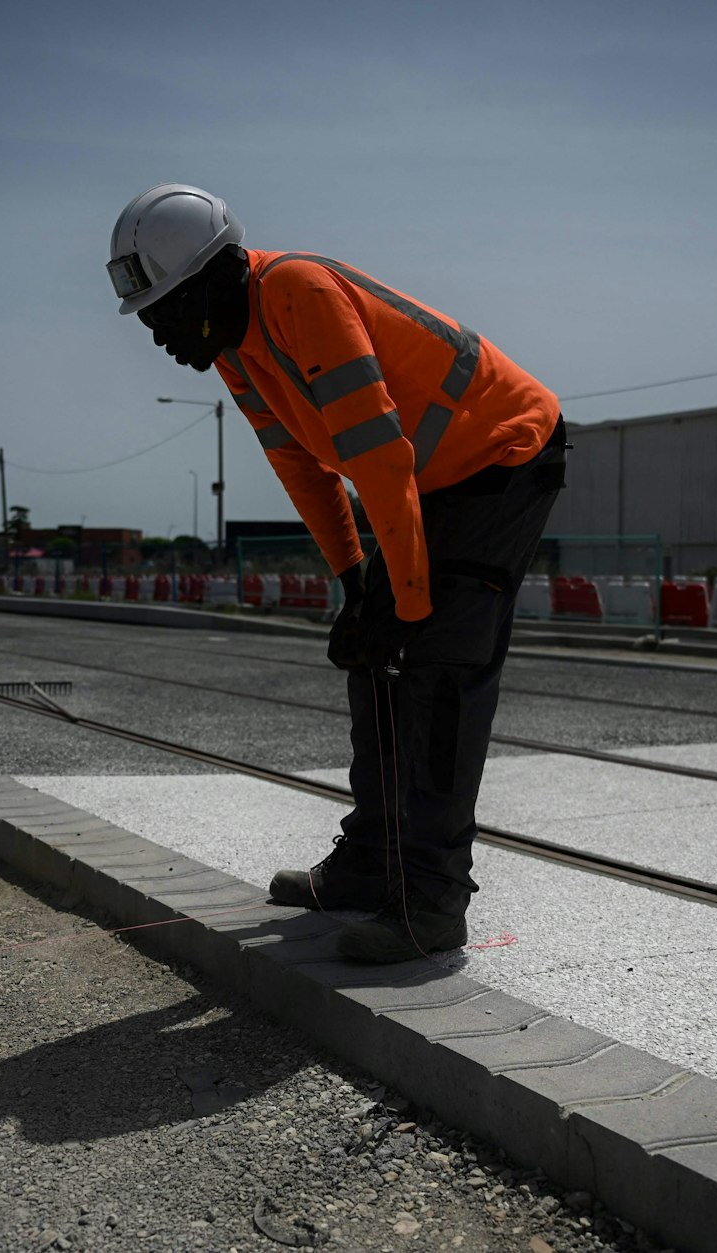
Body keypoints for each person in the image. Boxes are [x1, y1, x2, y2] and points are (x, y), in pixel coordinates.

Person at [108, 183, 567, 962]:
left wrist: (410, 604)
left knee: (438, 667)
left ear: (213, 278)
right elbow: (300, 463)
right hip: (427, 478)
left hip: (500, 453)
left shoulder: (298, 292)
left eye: (167, 312)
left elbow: (378, 454)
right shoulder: (235, 346)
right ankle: (371, 862)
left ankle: (430, 901)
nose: (161, 337)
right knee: (373, 658)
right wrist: (357, 583)